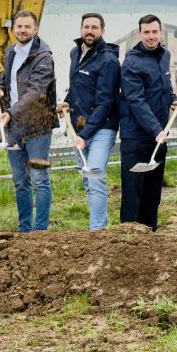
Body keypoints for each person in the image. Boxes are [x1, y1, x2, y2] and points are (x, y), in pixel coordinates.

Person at [0, 10, 57, 233]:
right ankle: (25, 229)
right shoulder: (10, 52)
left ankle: (40, 231)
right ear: (13, 29)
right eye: (19, 26)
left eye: (27, 27)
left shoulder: (43, 57)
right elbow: (7, 82)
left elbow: (34, 92)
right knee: (20, 181)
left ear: (36, 29)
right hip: (14, 127)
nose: (22, 30)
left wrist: (9, 112)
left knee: (39, 179)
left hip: (37, 126)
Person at [60, 12, 120, 231]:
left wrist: (84, 136)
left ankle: (98, 231)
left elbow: (105, 102)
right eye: (86, 27)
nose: (90, 31)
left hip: (102, 127)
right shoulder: (75, 53)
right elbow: (78, 88)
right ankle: (99, 223)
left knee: (94, 175)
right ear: (80, 29)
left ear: (102, 31)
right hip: (80, 127)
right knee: (87, 179)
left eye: (95, 27)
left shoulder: (108, 61)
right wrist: (67, 102)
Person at [120, 14, 177, 229]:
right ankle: (128, 236)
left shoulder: (165, 55)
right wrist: (156, 129)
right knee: (133, 189)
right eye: (147, 32)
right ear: (139, 33)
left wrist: (173, 99)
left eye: (154, 32)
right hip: (136, 136)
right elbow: (136, 101)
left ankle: (150, 235)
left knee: (153, 190)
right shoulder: (131, 62)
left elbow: (164, 84)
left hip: (159, 134)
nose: (151, 36)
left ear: (160, 32)